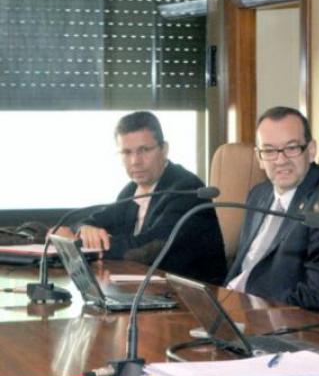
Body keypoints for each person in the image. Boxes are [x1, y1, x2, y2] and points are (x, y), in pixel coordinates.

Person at [63, 111, 226, 285]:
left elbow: (149, 249)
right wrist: (85, 229)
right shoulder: (131, 190)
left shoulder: (187, 189)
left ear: (164, 149)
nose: (135, 161)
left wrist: (89, 245)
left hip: (191, 293)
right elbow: (94, 220)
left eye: (144, 150)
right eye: (126, 152)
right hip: (147, 287)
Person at [225, 106, 319, 309]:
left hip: (279, 315)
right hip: (233, 305)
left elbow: (316, 293)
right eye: (269, 151)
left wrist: (259, 310)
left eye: (291, 148)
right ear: (259, 158)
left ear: (311, 150)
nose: (281, 160)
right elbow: (244, 266)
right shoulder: (258, 195)